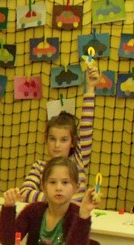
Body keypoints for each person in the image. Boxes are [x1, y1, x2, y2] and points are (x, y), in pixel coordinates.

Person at [18, 64, 99, 205]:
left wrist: (90, 88)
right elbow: (25, 192)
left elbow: (87, 125)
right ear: (46, 140)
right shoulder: (40, 167)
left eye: (63, 140)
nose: (57, 145)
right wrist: (58, 199)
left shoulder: (78, 161)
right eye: (52, 139)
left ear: (72, 142)